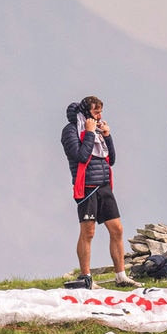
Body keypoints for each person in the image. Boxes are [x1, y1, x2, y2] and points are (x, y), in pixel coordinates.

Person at [61, 96, 141, 289]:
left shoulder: (97, 129)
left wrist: (107, 136)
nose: (99, 116)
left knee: (117, 229)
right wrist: (89, 133)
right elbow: (80, 156)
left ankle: (121, 276)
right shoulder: (70, 130)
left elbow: (111, 159)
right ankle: (86, 277)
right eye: (96, 112)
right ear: (87, 113)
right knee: (88, 232)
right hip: (86, 187)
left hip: (104, 185)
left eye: (100, 112)